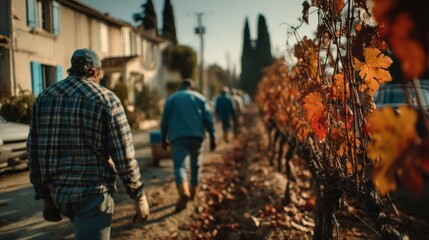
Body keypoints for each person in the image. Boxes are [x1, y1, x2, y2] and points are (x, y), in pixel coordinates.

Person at [27, 48, 149, 240]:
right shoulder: (107, 99)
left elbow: (33, 151)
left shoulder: (43, 98)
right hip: (92, 194)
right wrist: (138, 195)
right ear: (96, 72)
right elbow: (123, 155)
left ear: (71, 69)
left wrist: (45, 196)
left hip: (59, 194)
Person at [160, 79, 216, 212]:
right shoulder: (200, 98)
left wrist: (163, 139)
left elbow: (164, 121)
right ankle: (193, 191)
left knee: (180, 166)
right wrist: (213, 137)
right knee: (195, 164)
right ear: (191, 87)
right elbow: (209, 119)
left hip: (178, 137)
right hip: (197, 137)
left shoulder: (171, 99)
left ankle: (183, 190)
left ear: (181, 87)